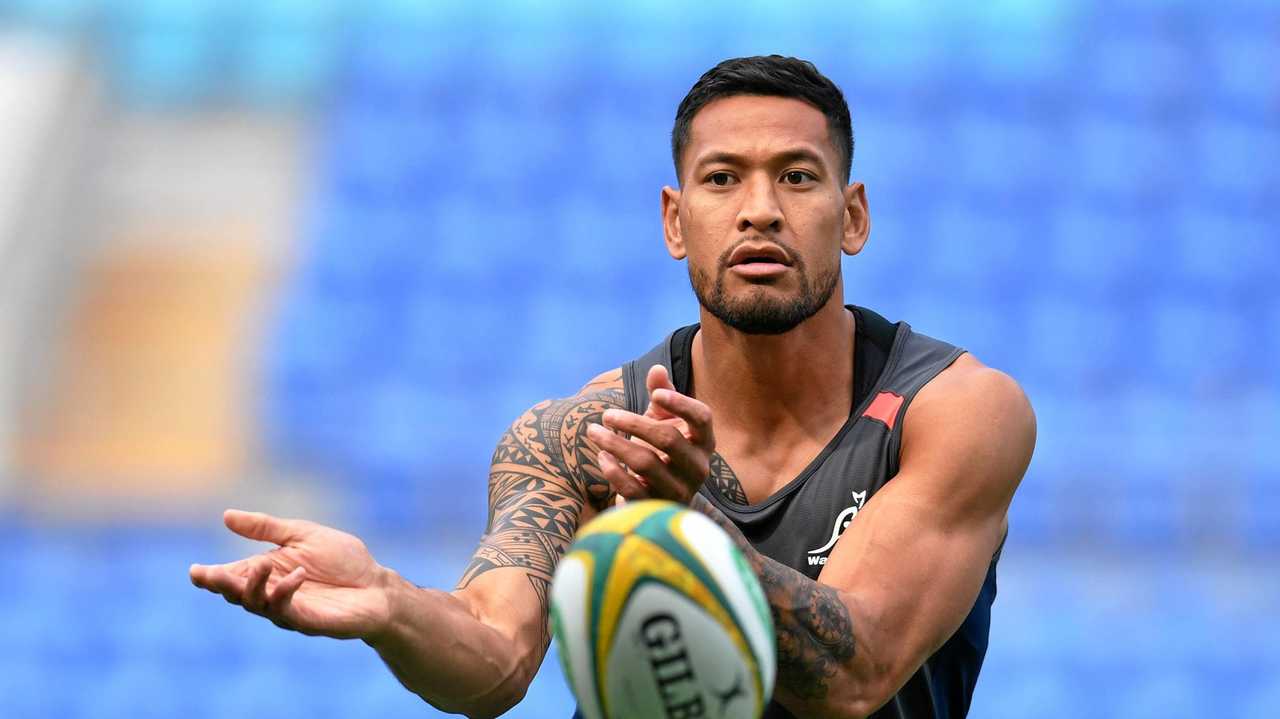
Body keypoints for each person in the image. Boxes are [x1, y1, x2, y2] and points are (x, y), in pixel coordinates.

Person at [189, 55, 1035, 719]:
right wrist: (389, 604)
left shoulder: (955, 410)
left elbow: (859, 673)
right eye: (722, 178)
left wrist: (686, 527)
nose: (760, 209)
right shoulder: (581, 434)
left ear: (852, 216)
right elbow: (493, 660)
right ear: (676, 219)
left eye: (798, 176)